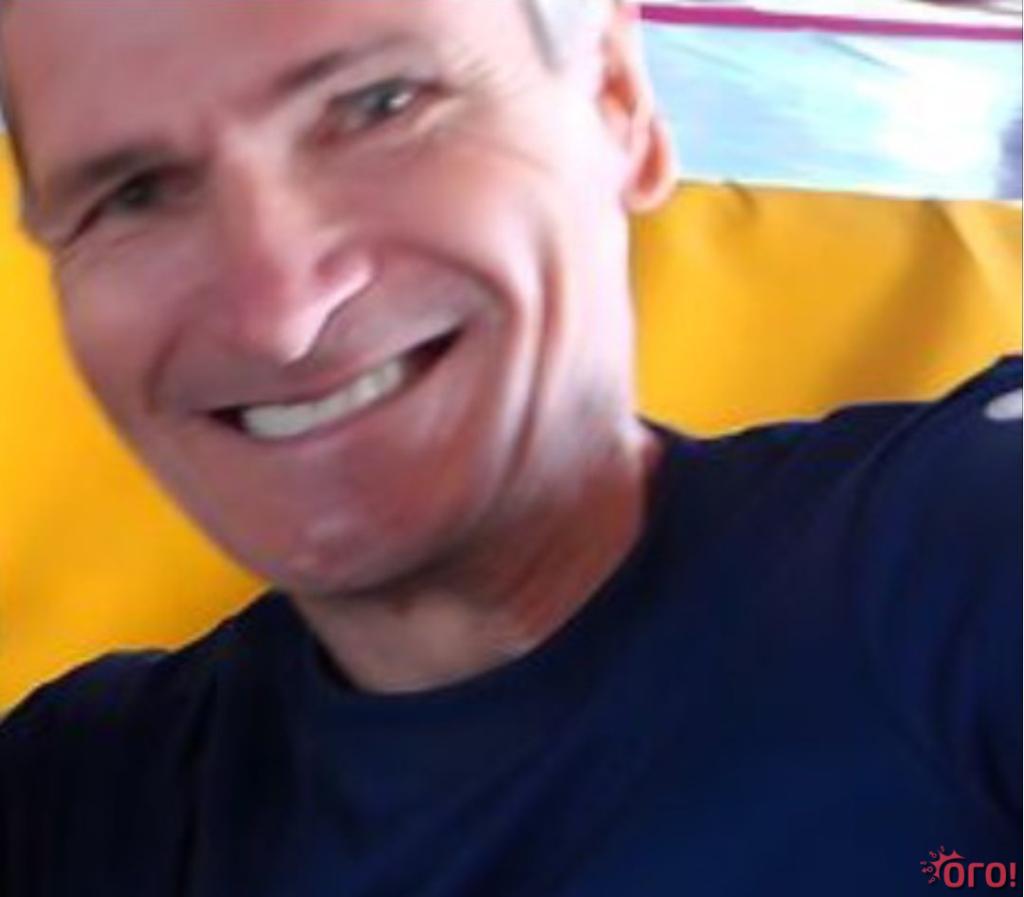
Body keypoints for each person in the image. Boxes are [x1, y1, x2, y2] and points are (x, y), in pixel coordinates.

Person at [0, 1, 1019, 894]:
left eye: (379, 106)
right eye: (133, 194)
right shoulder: (84, 801)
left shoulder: (950, 551)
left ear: (616, 98)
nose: (279, 315)